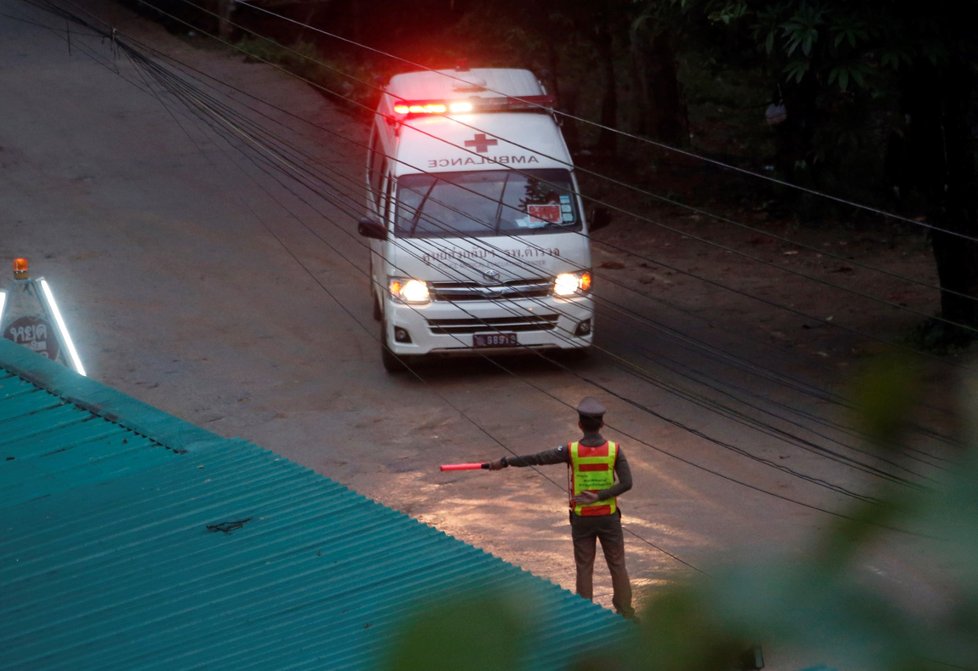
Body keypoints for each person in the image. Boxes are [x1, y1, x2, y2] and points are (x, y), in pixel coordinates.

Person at [488, 396, 635, 618]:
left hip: (582, 519)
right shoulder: (615, 450)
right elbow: (627, 483)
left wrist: (506, 461)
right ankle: (626, 612)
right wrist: (600, 496)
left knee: (584, 567)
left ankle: (585, 614)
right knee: (617, 565)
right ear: (603, 424)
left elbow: (538, 458)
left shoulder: (571, 450)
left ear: (579, 425)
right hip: (608, 517)